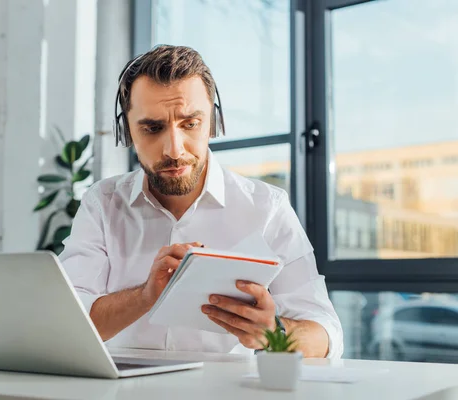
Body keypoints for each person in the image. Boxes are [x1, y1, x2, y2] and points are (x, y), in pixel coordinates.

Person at [59, 45, 343, 358]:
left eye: (190, 123)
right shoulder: (102, 203)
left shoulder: (267, 207)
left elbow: (326, 335)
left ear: (213, 122)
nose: (174, 150)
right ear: (126, 131)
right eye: (152, 128)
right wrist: (144, 296)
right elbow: (66, 325)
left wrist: (271, 331)